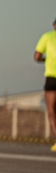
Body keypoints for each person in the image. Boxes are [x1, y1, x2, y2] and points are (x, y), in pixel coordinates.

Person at [33, 18, 56, 151]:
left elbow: (37, 56)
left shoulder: (47, 37)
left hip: (52, 77)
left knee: (52, 110)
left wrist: (45, 60)